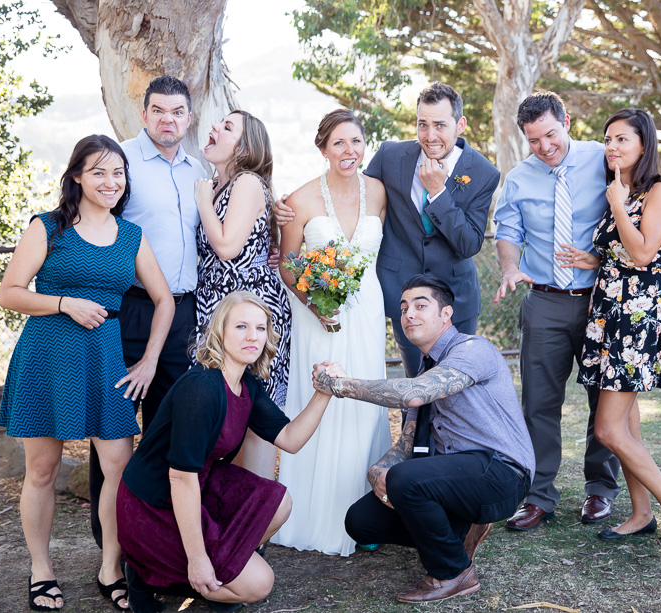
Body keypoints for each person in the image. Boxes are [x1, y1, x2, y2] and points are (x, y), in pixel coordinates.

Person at [0, 135, 174, 611]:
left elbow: (164, 300)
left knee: (119, 467)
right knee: (42, 470)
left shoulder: (131, 236)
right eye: (98, 172)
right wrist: (63, 303)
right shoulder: (48, 227)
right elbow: (9, 292)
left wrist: (150, 359)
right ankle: (41, 570)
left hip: (104, 361)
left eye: (117, 173)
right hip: (46, 357)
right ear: (76, 175)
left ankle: (110, 568)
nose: (110, 181)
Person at [314, 275, 535, 603]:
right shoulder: (425, 370)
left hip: (501, 474)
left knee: (407, 480)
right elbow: (405, 445)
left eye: (420, 305)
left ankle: (453, 572)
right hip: (455, 481)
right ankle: (457, 534)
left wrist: (340, 385)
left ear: (446, 314)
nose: (409, 314)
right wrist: (378, 475)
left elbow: (415, 395)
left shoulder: (473, 349)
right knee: (361, 521)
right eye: (403, 308)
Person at [116, 291, 335, 612]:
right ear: (219, 332)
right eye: (241, 327)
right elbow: (179, 479)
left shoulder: (247, 385)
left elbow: (290, 438)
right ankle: (146, 575)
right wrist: (197, 559)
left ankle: (222, 571)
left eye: (261, 328)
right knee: (260, 584)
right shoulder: (202, 389)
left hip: (200, 485)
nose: (253, 336)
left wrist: (323, 393)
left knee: (280, 503)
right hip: (153, 503)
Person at [276, 82, 500, 377]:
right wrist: (289, 208)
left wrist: (438, 195)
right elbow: (352, 193)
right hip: (402, 297)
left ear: (460, 125)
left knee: (455, 390)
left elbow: (470, 244)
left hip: (455, 298)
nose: (430, 136)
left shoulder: (484, 173)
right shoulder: (391, 157)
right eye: (423, 124)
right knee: (413, 387)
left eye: (440, 126)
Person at [494, 91, 622, 531]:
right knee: (538, 405)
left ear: (566, 120)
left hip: (600, 301)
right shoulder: (517, 178)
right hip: (544, 301)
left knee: (602, 402)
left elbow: (635, 210)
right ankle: (538, 495)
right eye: (534, 140)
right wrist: (511, 266)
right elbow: (507, 233)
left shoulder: (601, 157)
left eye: (551, 134)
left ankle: (600, 490)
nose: (545, 146)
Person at [89, 75, 207, 549]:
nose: (168, 119)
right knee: (113, 432)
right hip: (126, 314)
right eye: (158, 110)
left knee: (170, 429)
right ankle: (111, 549)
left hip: (183, 316)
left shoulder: (197, 170)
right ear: (144, 114)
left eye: (177, 112)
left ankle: (157, 539)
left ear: (189, 117)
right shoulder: (120, 162)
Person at [568, 108, 661, 546]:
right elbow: (622, 251)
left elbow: (643, 254)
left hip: (635, 318)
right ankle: (641, 513)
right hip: (608, 312)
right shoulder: (622, 189)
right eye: (608, 140)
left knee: (608, 429)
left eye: (622, 139)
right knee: (628, 425)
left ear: (644, 144)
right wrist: (593, 258)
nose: (612, 147)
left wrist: (618, 205)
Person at [270, 109, 391, 555]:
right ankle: (316, 513)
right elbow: (286, 264)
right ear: (323, 148)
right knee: (322, 400)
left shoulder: (378, 192)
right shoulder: (298, 200)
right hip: (317, 315)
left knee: (364, 402)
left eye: (356, 141)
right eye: (339, 143)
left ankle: (367, 513)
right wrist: (315, 305)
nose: (349, 151)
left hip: (367, 311)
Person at [195, 109, 292, 481]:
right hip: (216, 309)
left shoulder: (247, 182)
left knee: (255, 422)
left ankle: (258, 522)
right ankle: (232, 518)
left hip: (249, 309)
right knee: (227, 418)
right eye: (217, 121)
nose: (214, 126)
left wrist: (203, 201)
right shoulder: (219, 185)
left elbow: (227, 247)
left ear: (244, 146)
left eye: (227, 126)